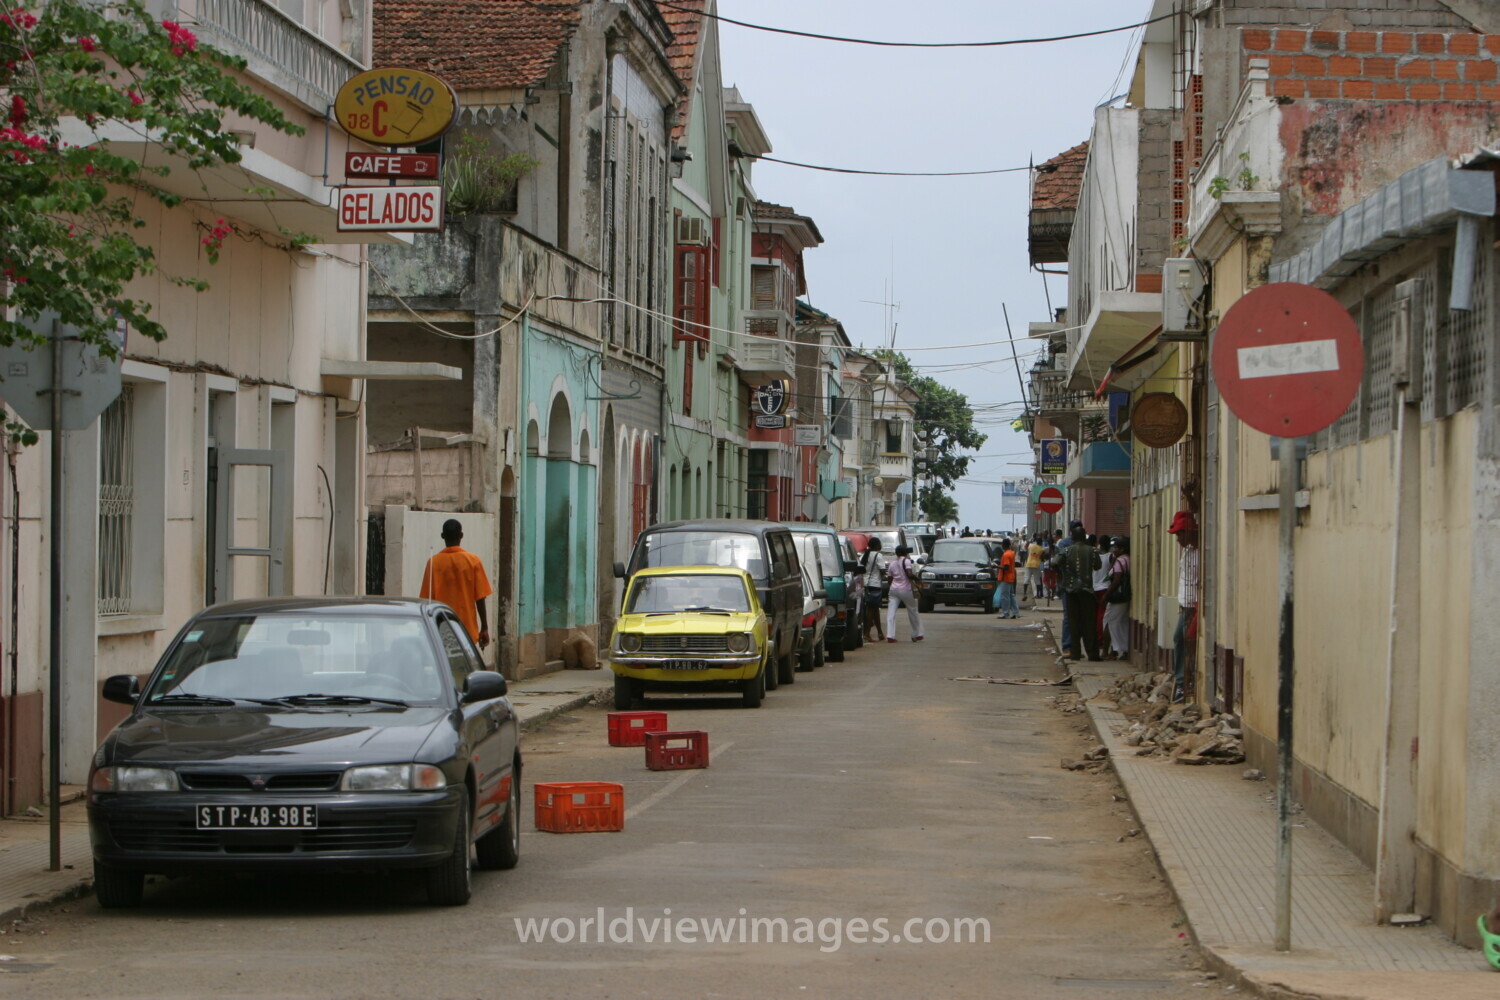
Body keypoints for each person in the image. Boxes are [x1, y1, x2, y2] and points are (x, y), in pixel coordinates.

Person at [419, 518, 493, 650]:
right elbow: (480, 598)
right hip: (466, 629)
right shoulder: (473, 561)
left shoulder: (433, 563)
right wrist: (484, 627)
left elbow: (426, 600)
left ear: (442, 536)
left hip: (441, 626)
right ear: (461, 536)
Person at [1168, 511, 1199, 701]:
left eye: (1180, 534)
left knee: (1185, 640)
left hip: (1194, 605)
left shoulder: (1200, 553)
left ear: (1189, 532)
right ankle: (1182, 679)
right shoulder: (1187, 552)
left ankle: (1184, 680)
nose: (1178, 538)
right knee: (1180, 639)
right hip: (1184, 603)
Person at [1058, 525, 1101, 661]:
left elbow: (1054, 562)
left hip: (1071, 591)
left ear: (1072, 537)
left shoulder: (1066, 551)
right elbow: (1097, 566)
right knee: (1089, 623)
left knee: (1073, 623)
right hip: (1087, 591)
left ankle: (1075, 653)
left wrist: (1065, 574)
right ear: (1084, 537)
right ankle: (1092, 654)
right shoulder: (1092, 551)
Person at [884, 544, 925, 642]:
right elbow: (909, 574)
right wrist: (918, 580)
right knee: (912, 611)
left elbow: (889, 579)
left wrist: (894, 585)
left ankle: (890, 635)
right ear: (905, 553)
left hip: (894, 590)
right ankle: (916, 634)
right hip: (905, 589)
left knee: (891, 613)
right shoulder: (906, 561)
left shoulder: (892, 563)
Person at [1103, 536, 1131, 660]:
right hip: (1125, 597)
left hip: (1117, 597)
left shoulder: (1120, 561)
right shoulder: (1128, 559)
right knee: (1122, 623)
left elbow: (1116, 580)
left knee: (1109, 622)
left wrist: (1106, 595)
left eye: (1116, 548)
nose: (1114, 550)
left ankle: (1112, 651)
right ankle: (1123, 650)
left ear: (1122, 549)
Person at [860, 537, 887, 643]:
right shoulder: (878, 555)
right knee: (872, 609)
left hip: (865, 584)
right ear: (876, 545)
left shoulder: (864, 555)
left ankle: (880, 633)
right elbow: (882, 570)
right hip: (875, 584)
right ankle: (867, 633)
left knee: (875, 610)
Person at [1091, 535, 1113, 655]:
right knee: (1102, 616)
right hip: (1104, 588)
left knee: (1095, 615)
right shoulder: (1110, 557)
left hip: (1094, 587)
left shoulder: (1095, 555)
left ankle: (1096, 639)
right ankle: (1100, 640)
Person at [994, 538, 1019, 618]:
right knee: (1011, 595)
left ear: (1003, 545)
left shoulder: (1006, 555)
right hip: (1011, 577)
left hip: (1006, 578)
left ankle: (1005, 613)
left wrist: (997, 566)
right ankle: (1015, 612)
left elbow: (1006, 567)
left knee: (1005, 596)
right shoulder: (1011, 553)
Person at [1022, 534, 1045, 606]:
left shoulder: (1031, 546)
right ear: (1041, 542)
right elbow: (1042, 558)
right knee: (1037, 580)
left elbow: (1026, 546)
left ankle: (1025, 593)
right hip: (1036, 565)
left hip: (1029, 564)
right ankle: (1038, 594)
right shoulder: (1042, 549)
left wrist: (1030, 540)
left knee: (1026, 579)